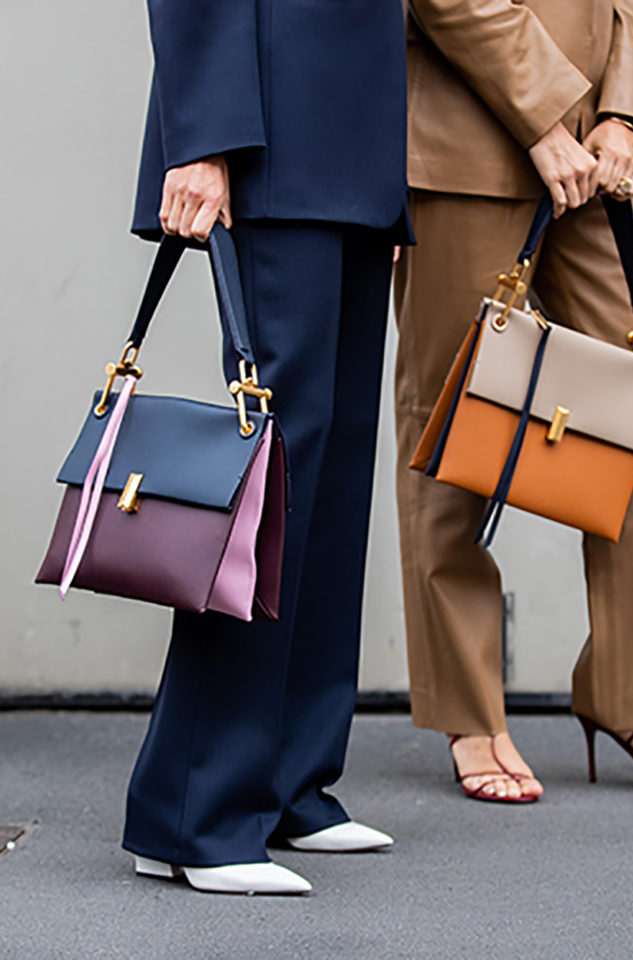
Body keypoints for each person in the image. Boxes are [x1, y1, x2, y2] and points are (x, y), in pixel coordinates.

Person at [395, 0, 633, 802]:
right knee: (453, 423)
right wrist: (545, 120)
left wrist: (621, 113)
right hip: (467, 145)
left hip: (597, 153)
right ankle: (471, 713)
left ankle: (632, 694)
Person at [123, 0, 411, 894]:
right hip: (266, 139)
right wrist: (201, 135)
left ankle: (288, 779)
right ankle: (191, 811)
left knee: (331, 461)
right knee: (273, 473)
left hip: (352, 138)